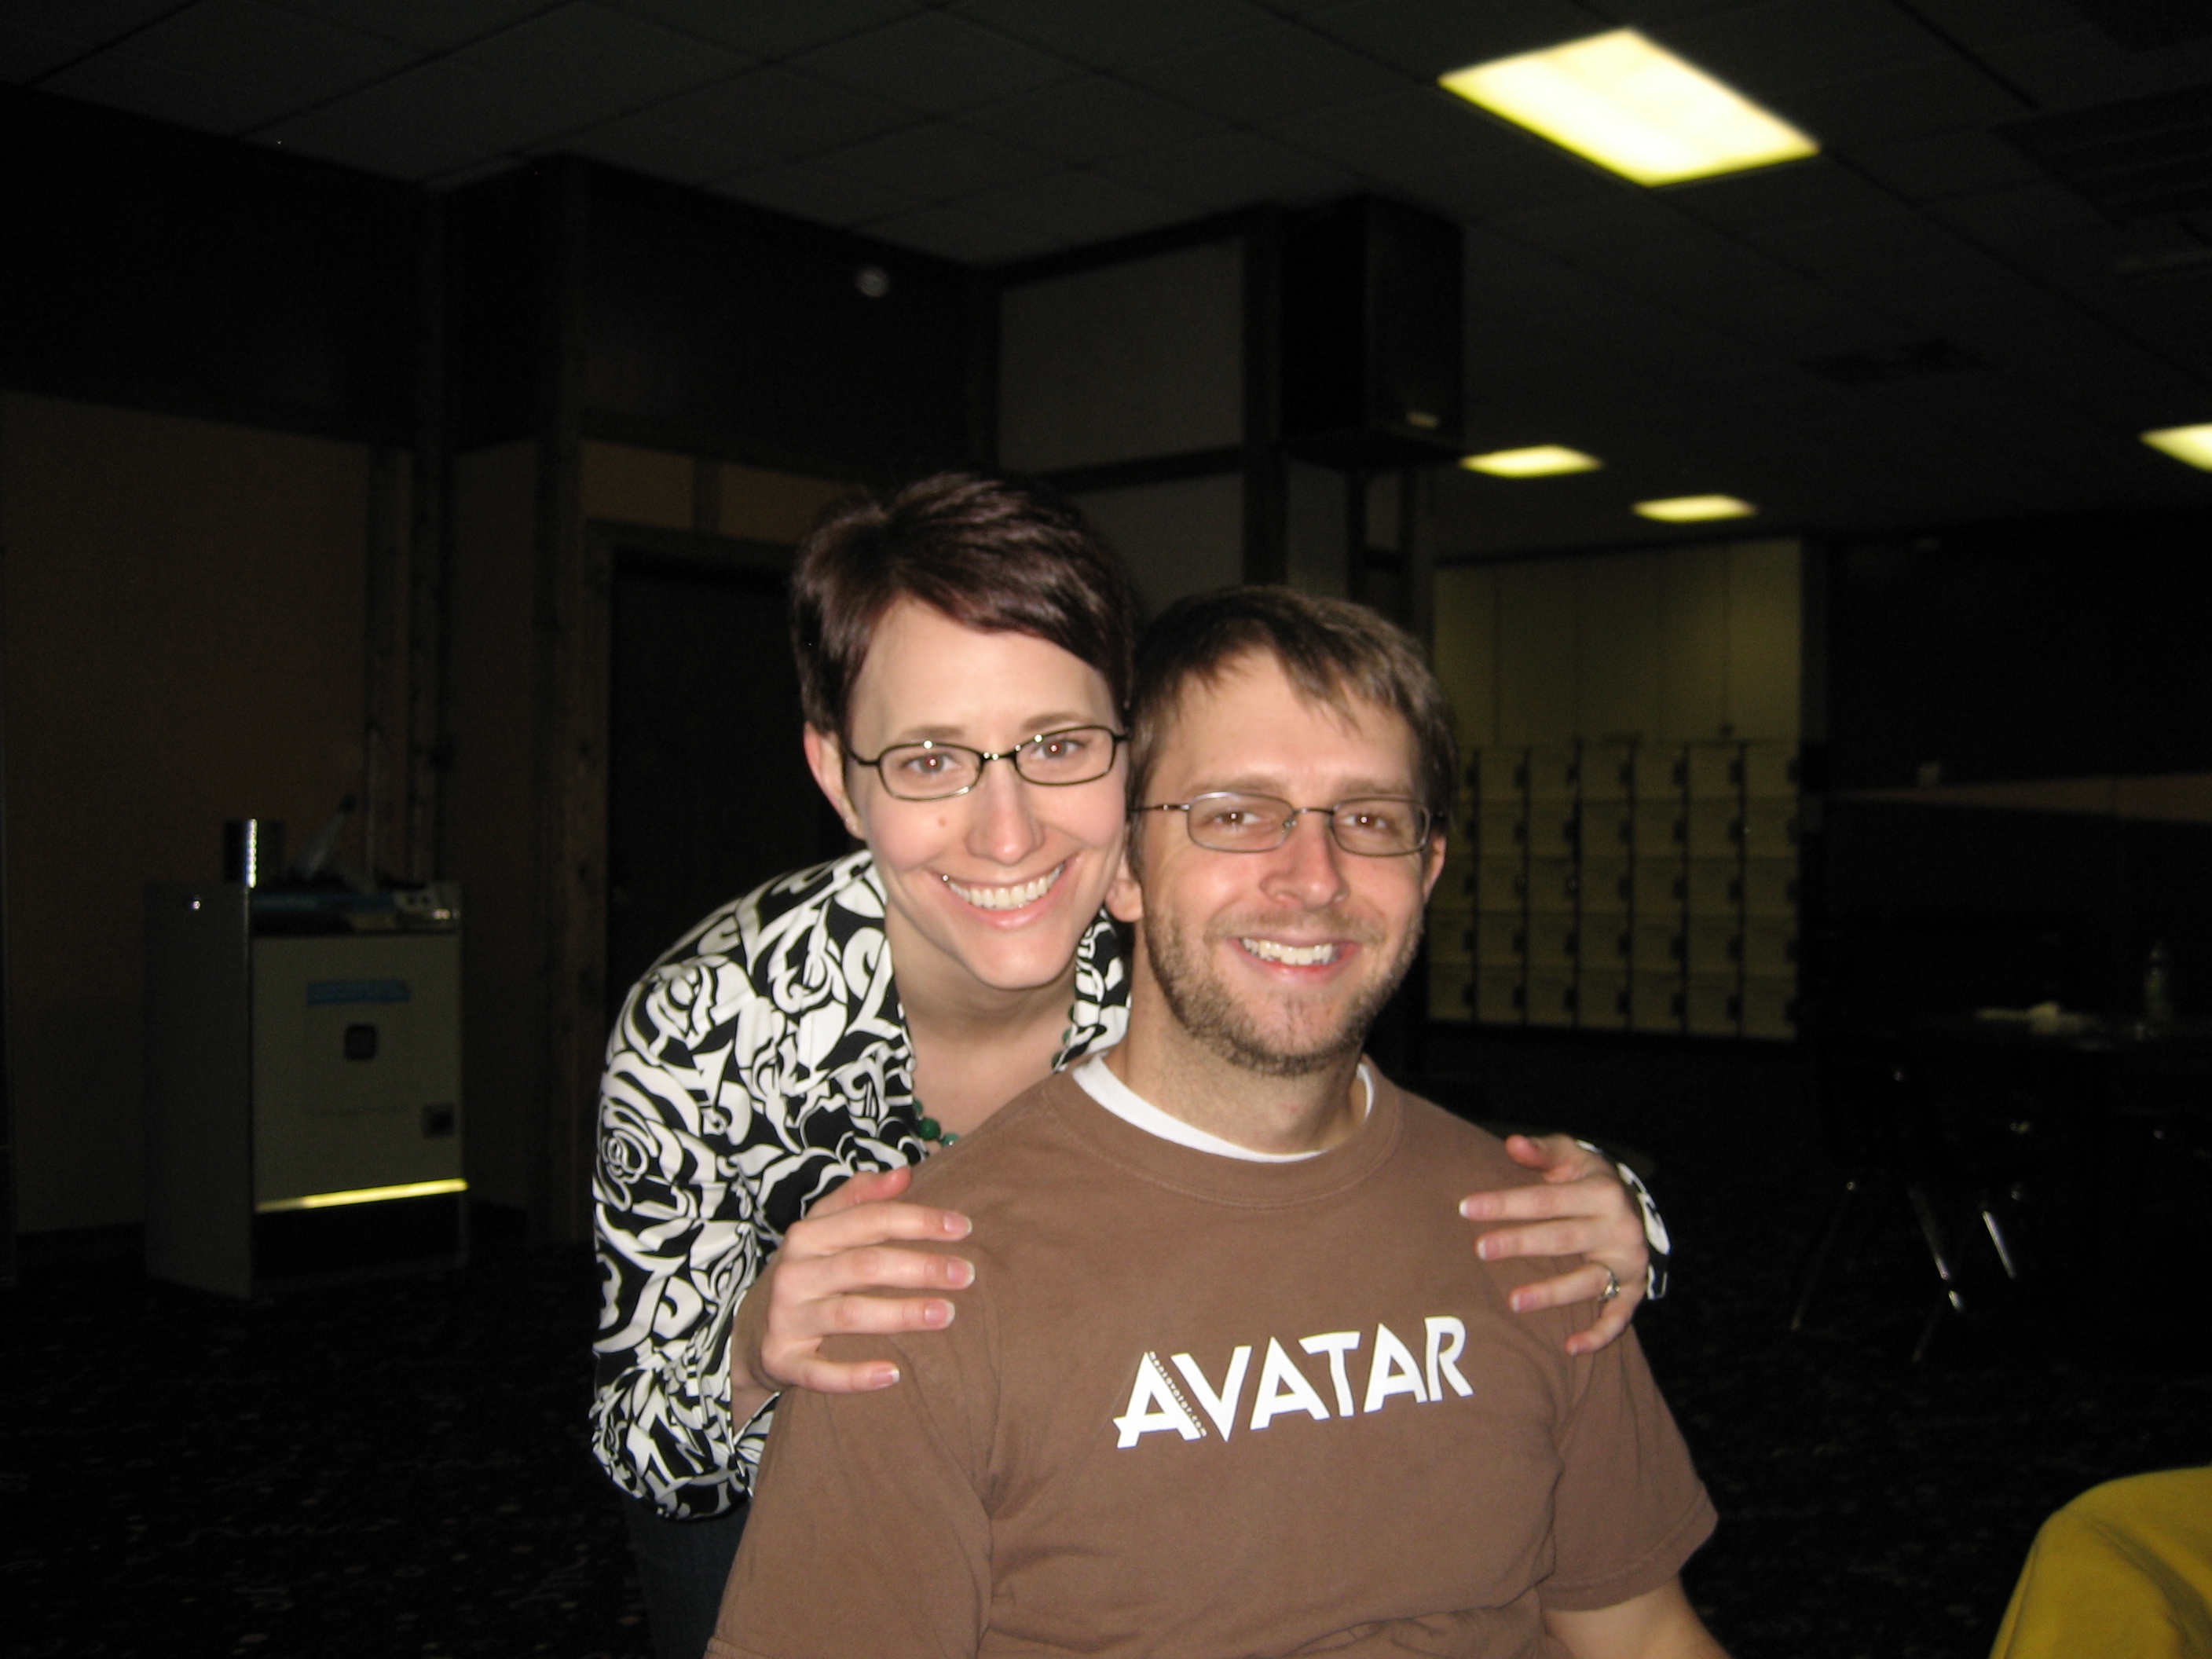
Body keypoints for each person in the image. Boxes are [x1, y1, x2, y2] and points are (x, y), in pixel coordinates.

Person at [592, 477, 1670, 1659]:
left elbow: (1350, 1172)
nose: (1009, 833)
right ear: (837, 776)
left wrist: (1617, 1218)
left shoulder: (1185, 932)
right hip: (755, 1468)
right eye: (928, 760)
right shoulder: (706, 1026)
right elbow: (643, 1439)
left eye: (1060, 746)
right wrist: (752, 1344)